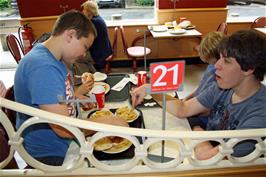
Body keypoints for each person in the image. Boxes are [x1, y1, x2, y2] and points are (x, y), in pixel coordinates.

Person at [14, 10, 128, 166]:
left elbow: (51, 98)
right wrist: (109, 122)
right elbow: (63, 129)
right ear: (70, 35)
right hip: (52, 153)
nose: (83, 54)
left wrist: (74, 99)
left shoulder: (53, 57)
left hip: (62, 142)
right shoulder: (43, 66)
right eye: (85, 46)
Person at [131, 30, 266, 160]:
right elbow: (182, 109)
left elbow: (206, 157)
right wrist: (151, 88)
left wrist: (196, 127)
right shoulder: (223, 87)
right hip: (206, 145)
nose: (217, 65)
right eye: (220, 58)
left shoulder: (260, 112)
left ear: (248, 69)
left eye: (227, 61)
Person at [185, 32, 225, 129]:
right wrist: (188, 98)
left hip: (205, 119)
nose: (213, 65)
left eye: (213, 62)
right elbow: (201, 85)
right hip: (198, 106)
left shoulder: (224, 78)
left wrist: (192, 110)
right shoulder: (211, 67)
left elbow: (214, 107)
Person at [74, 0, 112, 75]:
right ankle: (93, 73)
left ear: (89, 11)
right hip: (105, 50)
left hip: (100, 53)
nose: (82, 11)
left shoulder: (93, 22)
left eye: (84, 9)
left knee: (76, 58)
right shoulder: (98, 18)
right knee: (82, 55)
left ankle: (86, 78)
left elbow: (86, 39)